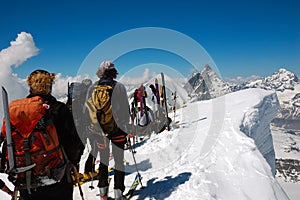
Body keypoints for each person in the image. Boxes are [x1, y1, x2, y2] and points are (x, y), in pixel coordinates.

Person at [18, 69, 84, 200]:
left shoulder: (19, 111)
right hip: (58, 175)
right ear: (50, 86)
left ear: (30, 86)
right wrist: (73, 162)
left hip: (26, 177)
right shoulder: (59, 109)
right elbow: (74, 142)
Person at [86, 61, 130, 200]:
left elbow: (86, 110)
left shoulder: (93, 88)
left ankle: (103, 193)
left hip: (99, 132)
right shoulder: (119, 87)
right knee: (118, 161)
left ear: (100, 72)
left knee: (103, 161)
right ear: (113, 72)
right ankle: (118, 192)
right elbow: (125, 111)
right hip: (117, 130)